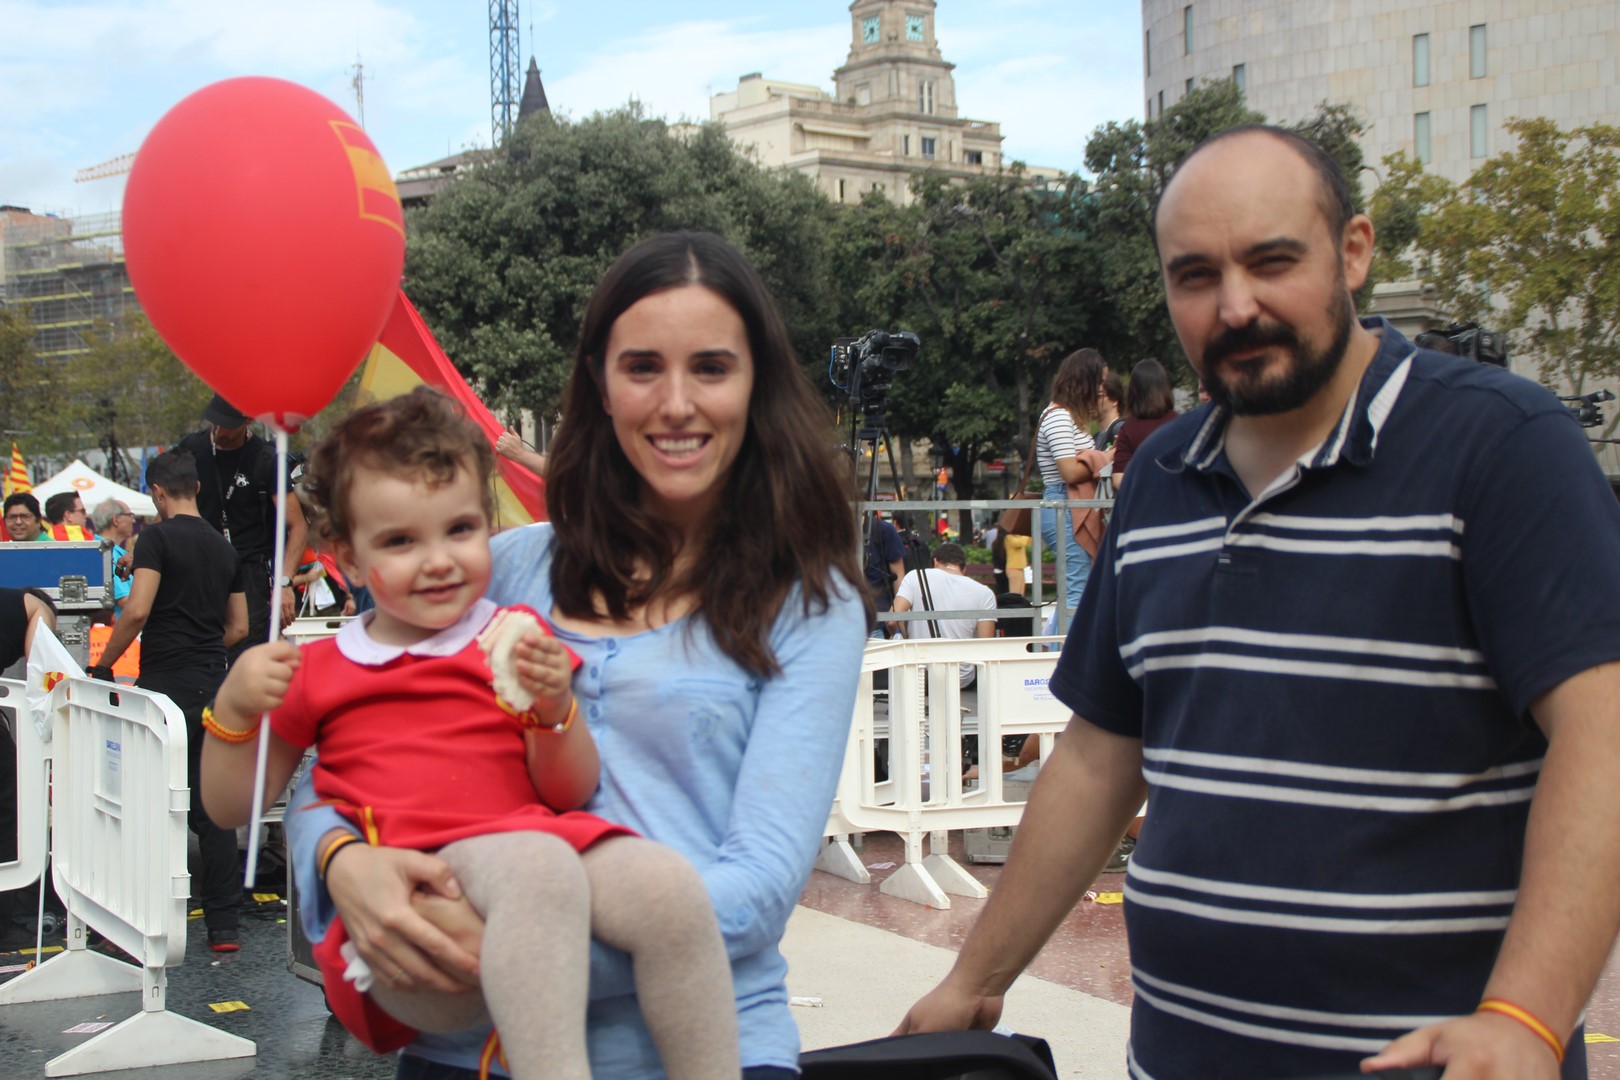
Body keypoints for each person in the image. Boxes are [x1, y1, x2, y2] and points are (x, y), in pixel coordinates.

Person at [896, 124, 1620, 1080]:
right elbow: (1101, 758)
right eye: (1196, 276)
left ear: (1353, 251)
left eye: (1272, 261)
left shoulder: (1500, 448)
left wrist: (1526, 1017)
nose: (1236, 306)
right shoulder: (1158, 476)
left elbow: (1603, 735)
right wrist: (974, 979)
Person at [281, 231, 869, 1079]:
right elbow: (337, 762)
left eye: (710, 367)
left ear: (756, 383)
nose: (676, 404)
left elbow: (758, 886)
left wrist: (502, 950)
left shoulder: (809, 602)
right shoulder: (509, 567)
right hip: (468, 1055)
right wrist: (343, 869)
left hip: (699, 1048)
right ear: (599, 382)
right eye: (641, 368)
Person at [202, 388, 739, 1079]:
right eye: (400, 540)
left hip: (530, 853)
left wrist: (552, 711)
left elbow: (569, 789)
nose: (438, 560)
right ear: (349, 559)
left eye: (458, 530)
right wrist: (236, 711)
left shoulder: (512, 638)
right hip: (413, 897)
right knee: (537, 866)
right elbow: (229, 807)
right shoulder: (315, 668)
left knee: (668, 886)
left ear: (487, 524)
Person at [88, 451, 248, 950]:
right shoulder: (226, 549)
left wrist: (103, 665)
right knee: (212, 807)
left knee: (144, 800)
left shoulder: (156, 538)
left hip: (166, 686)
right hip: (214, 684)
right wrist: (202, 647)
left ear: (158, 493)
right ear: (197, 488)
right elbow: (239, 627)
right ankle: (223, 925)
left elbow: (136, 611)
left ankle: (139, 916)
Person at [175, 394, 306, 660]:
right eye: (215, 421)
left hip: (249, 572)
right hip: (198, 569)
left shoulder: (266, 458)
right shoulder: (191, 447)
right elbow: (168, 500)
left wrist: (284, 583)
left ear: (248, 420)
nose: (219, 430)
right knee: (195, 650)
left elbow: (298, 527)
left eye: (228, 424)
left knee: (247, 653)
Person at [1034, 349, 1106, 622]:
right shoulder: (1058, 417)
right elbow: (1068, 471)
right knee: (1076, 591)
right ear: (1084, 381)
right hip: (1063, 504)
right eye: (1099, 382)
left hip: (1069, 504)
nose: (1101, 390)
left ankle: (1055, 656)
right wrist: (1103, 457)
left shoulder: (1068, 417)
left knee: (1075, 591)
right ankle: (1057, 658)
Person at [888, 542, 996, 689]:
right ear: (963, 569)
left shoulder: (915, 577)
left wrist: (904, 635)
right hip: (962, 677)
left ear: (935, 561)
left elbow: (892, 621)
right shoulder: (985, 593)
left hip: (920, 674)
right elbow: (986, 646)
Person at [1110, 357, 1179, 490]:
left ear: (1134, 392)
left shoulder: (1128, 430)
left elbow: (1119, 479)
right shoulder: (1179, 423)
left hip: (1142, 506)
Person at [89, 499, 136, 619]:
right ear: (116, 520)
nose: (134, 520)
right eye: (130, 515)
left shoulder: (97, 548)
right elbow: (125, 601)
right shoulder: (109, 553)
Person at [863, 511, 906, 626]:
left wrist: (896, 621)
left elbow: (898, 577)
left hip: (876, 620)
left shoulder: (882, 530)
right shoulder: (830, 531)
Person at [1095, 371, 1125, 450]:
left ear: (1114, 400)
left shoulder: (1119, 429)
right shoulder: (1097, 436)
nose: (1092, 401)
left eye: (1099, 396)